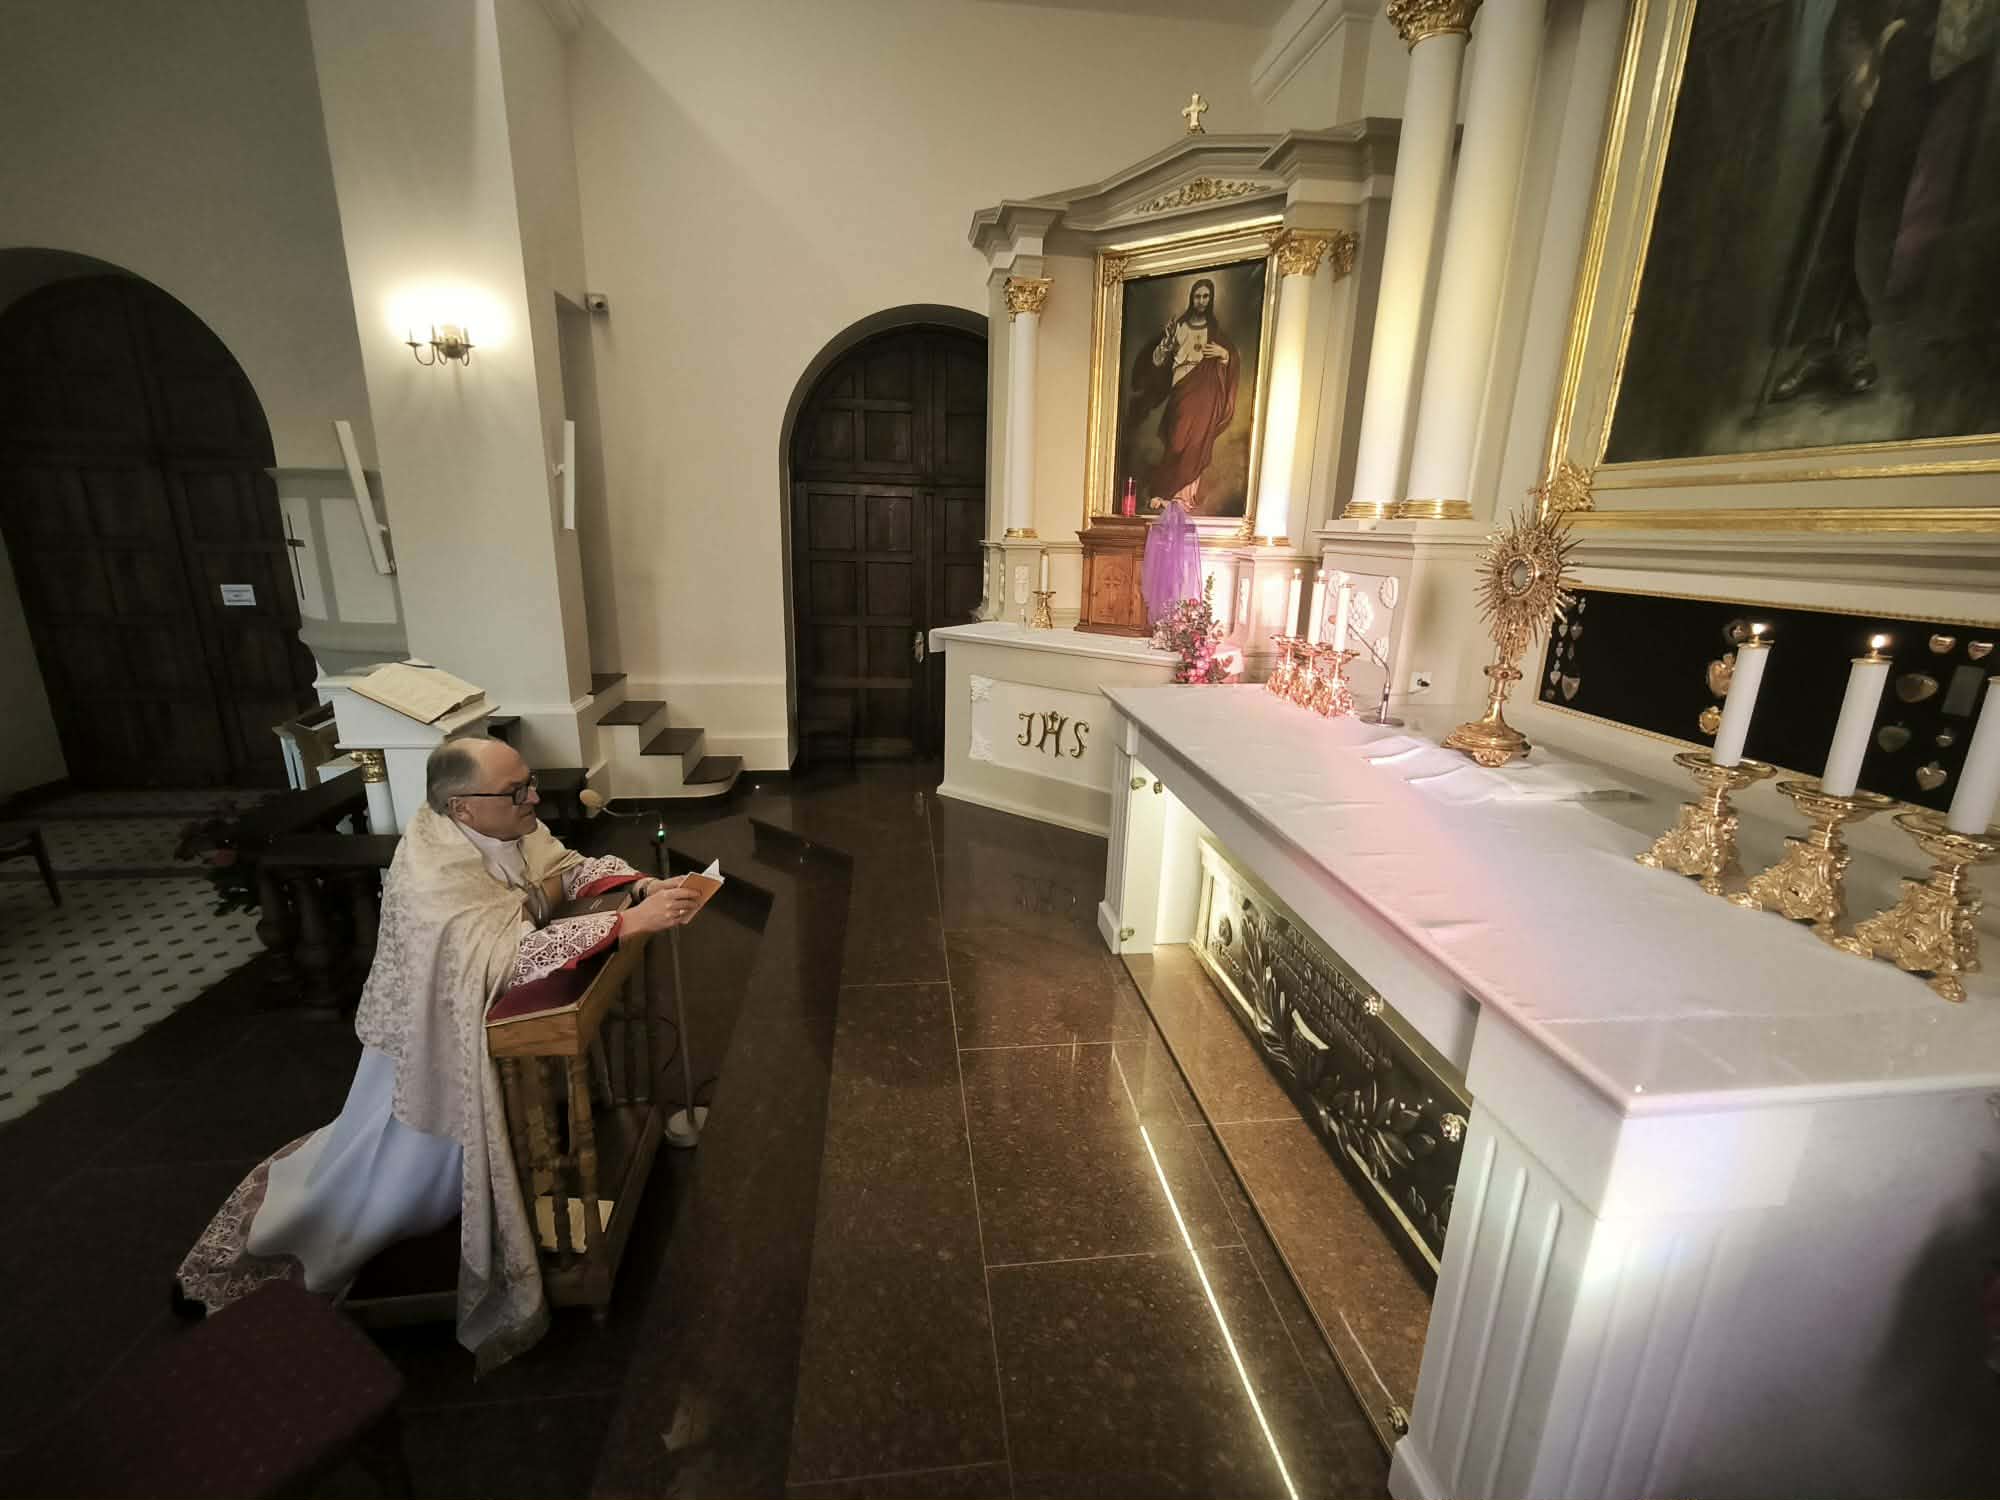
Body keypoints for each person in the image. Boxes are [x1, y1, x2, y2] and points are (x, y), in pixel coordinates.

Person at [176, 736, 700, 1367]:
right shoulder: (431, 869)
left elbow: (562, 869)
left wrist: (639, 887)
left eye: (529, 782)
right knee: (404, 1190)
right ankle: (317, 1235)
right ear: (462, 807)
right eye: (516, 791)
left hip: (476, 1032)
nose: (534, 798)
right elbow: (499, 960)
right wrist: (624, 924)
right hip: (435, 1054)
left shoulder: (505, 825)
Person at [1127, 277, 1240, 511]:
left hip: (1205, 394)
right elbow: (1157, 361)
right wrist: (1166, 344)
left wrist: (1224, 355)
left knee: (1197, 442)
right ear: (1191, 298)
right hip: (1182, 388)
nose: (1201, 301)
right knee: (1177, 443)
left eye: (1205, 296)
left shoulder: (1215, 332)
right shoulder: (1179, 328)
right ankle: (1165, 490)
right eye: (1197, 296)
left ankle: (1183, 497)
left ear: (1210, 299)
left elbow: (1231, 362)